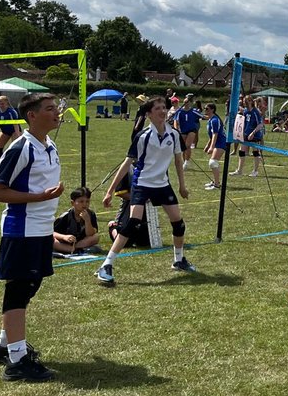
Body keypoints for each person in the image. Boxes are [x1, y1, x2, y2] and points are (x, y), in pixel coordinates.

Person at [0, 92, 63, 381]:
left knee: (31, 285)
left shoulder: (50, 145)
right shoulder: (21, 148)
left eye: (56, 108)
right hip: (22, 229)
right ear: (32, 116)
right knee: (19, 289)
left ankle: (4, 345)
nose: (56, 113)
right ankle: (17, 361)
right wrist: (38, 197)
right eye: (49, 109)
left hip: (42, 228)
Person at [96, 96, 196, 286]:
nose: (162, 111)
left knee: (179, 224)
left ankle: (178, 260)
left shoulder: (173, 134)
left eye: (164, 108)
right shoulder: (142, 137)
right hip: (142, 184)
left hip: (162, 184)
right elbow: (127, 164)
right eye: (157, 108)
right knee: (132, 223)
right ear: (149, 114)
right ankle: (107, 264)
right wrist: (109, 191)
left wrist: (182, 186)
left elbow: (177, 161)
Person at [53, 186, 100, 255]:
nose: (85, 204)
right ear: (73, 203)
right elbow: (52, 232)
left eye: (87, 201)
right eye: (81, 201)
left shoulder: (91, 214)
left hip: (80, 242)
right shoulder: (66, 216)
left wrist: (87, 220)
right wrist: (64, 237)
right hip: (64, 241)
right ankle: (71, 249)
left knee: (96, 237)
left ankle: (74, 248)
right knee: (51, 240)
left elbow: (90, 234)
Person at [203, 102, 227, 190]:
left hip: (221, 143)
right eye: (204, 108)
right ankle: (214, 181)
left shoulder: (214, 120)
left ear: (212, 110)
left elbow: (215, 134)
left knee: (213, 162)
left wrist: (212, 147)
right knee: (212, 163)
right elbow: (211, 135)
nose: (205, 110)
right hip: (217, 142)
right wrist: (207, 145)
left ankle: (216, 184)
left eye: (207, 109)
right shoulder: (211, 120)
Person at [172, 97, 202, 168]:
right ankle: (184, 161)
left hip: (192, 129)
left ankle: (187, 161)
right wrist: (176, 129)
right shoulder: (179, 111)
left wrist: (211, 116)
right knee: (183, 147)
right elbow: (175, 121)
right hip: (183, 130)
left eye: (188, 102)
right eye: (185, 102)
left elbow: (202, 116)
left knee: (188, 145)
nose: (186, 104)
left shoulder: (194, 111)